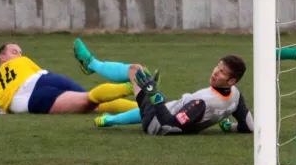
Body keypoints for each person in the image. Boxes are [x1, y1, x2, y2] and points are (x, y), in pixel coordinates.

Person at [73, 38, 254, 135]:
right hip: (167, 111)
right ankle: (110, 120)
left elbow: (170, 125)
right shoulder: (235, 97)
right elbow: (248, 127)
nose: (215, 72)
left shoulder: (203, 102)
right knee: (151, 97)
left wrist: (155, 96)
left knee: (136, 71)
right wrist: (228, 127)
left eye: (222, 72)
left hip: (156, 123)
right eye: (218, 67)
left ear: (231, 81)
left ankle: (90, 64)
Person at [0, 42, 138, 115]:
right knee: (91, 101)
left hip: (36, 91)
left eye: (20, 52)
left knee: (90, 100)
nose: (19, 54)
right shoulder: (2, 75)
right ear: (2, 57)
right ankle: (138, 94)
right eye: (14, 51)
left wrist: (0, 111)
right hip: (40, 85)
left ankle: (135, 93)